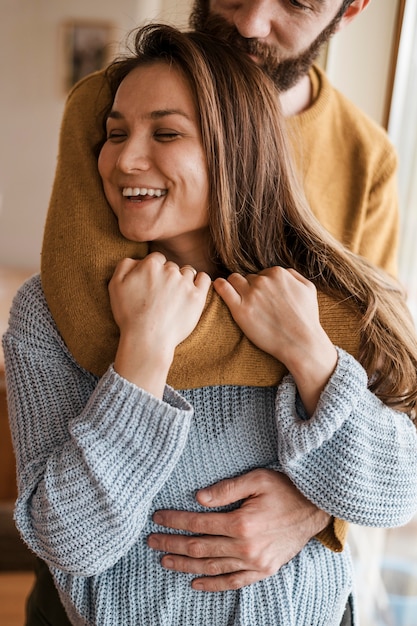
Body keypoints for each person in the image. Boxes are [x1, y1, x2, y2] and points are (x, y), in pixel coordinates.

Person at [4, 22, 417, 626]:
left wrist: (311, 357)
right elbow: (66, 539)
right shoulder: (50, 312)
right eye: (115, 134)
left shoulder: (324, 302)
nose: (125, 158)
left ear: (237, 152)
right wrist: (141, 354)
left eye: (165, 132)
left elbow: (398, 492)